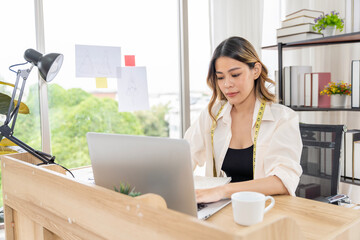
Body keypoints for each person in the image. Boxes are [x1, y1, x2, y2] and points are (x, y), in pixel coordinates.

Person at [184, 36, 303, 203]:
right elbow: (185, 156)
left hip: (265, 210)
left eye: (235, 74)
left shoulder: (283, 118)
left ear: (255, 70)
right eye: (220, 77)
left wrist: (222, 191)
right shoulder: (212, 114)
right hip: (221, 210)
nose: (227, 84)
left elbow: (283, 181)